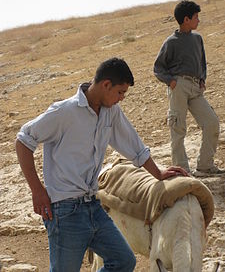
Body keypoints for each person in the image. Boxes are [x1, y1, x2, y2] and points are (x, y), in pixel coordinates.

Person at [16, 57, 188, 272]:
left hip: (93, 206)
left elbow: (134, 146)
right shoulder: (64, 112)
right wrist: (37, 190)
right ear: (106, 84)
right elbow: (23, 140)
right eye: (120, 92)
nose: (122, 98)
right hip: (65, 211)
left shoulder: (111, 112)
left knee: (124, 261)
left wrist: (158, 173)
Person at [153, 0, 224, 177]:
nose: (198, 20)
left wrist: (202, 79)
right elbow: (158, 68)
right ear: (186, 19)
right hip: (179, 86)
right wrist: (171, 81)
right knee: (178, 128)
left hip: (195, 87)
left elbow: (202, 62)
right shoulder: (171, 42)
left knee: (212, 123)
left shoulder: (197, 38)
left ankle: (205, 165)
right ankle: (181, 169)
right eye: (196, 17)